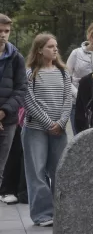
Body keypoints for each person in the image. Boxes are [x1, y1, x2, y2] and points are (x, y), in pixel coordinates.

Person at [22, 33, 71, 227]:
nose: (55, 49)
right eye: (50, 46)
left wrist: (60, 122)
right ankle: (43, 214)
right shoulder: (30, 73)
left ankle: (61, 211)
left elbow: (68, 100)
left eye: (56, 46)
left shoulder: (63, 72)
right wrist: (47, 123)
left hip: (59, 130)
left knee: (60, 171)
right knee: (37, 172)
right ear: (40, 49)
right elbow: (29, 102)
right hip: (35, 130)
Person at [0, 14, 26, 198]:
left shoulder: (16, 57)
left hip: (7, 120)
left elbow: (21, 89)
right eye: (0, 31)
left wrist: (3, 111)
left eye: (6, 31)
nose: (3, 35)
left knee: (1, 167)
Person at [65, 20, 93, 131]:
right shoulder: (76, 53)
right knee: (79, 137)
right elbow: (65, 77)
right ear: (88, 34)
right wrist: (77, 93)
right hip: (77, 102)